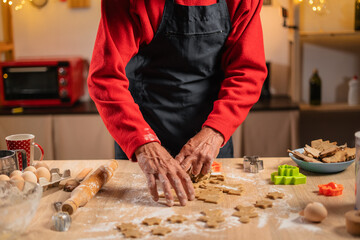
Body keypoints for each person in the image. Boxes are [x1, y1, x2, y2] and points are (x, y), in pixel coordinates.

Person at [88, 0, 267, 207]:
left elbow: (247, 72)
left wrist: (215, 132)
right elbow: (105, 76)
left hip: (210, 138)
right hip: (142, 135)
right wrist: (143, 144)